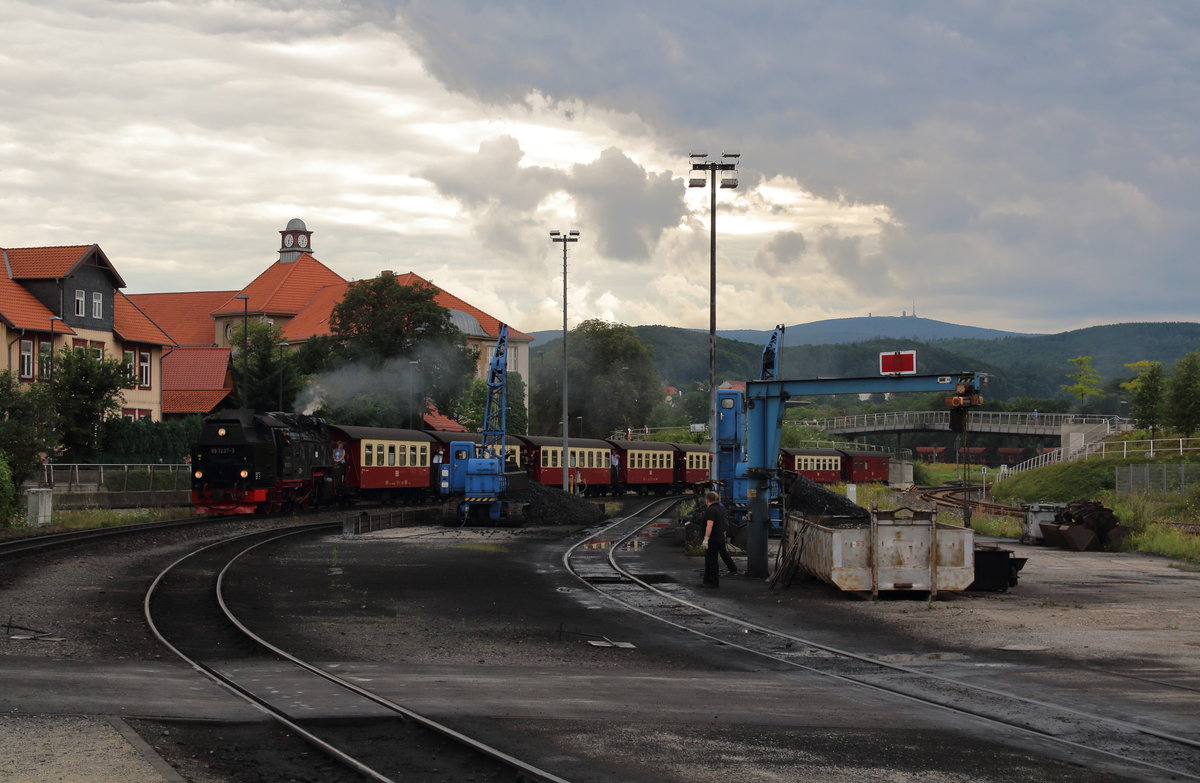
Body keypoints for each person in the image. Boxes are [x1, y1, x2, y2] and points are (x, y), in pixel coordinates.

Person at [699, 490, 737, 587]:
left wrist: (706, 539)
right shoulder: (720, 508)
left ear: (707, 500)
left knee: (711, 560)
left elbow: (709, 525)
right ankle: (707, 581)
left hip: (713, 539)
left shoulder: (711, 510)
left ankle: (713, 582)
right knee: (712, 559)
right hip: (719, 537)